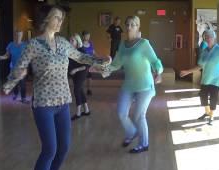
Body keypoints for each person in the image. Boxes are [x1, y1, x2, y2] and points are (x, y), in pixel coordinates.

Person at [2, 5, 111, 170]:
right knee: (49, 149)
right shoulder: (33, 45)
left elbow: (81, 56)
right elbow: (17, 69)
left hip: (63, 102)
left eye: (62, 18)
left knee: (64, 147)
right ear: (46, 20)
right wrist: (13, 80)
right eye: (57, 17)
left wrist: (101, 60)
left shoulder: (62, 43)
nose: (61, 21)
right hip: (43, 104)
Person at [100, 16, 163, 153]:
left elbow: (155, 61)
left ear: (138, 27)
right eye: (127, 24)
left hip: (145, 86)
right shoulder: (122, 45)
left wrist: (159, 72)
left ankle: (144, 143)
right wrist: (103, 68)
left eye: (133, 25)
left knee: (139, 116)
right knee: (121, 113)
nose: (129, 27)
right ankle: (132, 132)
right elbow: (116, 64)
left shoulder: (143, 43)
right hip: (129, 85)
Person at [180, 29, 219, 125]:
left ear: (214, 38)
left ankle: (211, 115)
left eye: (210, 37)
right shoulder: (204, 51)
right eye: (206, 37)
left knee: (213, 98)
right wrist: (187, 72)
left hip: (217, 79)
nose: (208, 39)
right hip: (206, 78)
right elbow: (199, 66)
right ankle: (207, 112)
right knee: (202, 96)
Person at [0, 30, 28, 103]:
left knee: (22, 84)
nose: (18, 36)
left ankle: (23, 98)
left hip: (22, 68)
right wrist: (2, 57)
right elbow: (7, 55)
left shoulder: (25, 45)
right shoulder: (10, 45)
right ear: (15, 35)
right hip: (13, 67)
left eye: (20, 35)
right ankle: (15, 94)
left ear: (22, 35)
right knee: (14, 83)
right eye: (17, 35)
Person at [68, 34, 91, 120]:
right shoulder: (71, 51)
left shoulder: (82, 50)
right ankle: (86, 110)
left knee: (76, 90)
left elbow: (86, 65)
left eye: (72, 40)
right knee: (80, 89)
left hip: (81, 72)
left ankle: (78, 112)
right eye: (70, 40)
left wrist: (75, 70)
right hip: (74, 73)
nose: (70, 42)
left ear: (77, 41)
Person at [81, 31, 95, 95]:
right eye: (87, 36)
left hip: (90, 63)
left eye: (89, 36)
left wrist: (97, 59)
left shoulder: (91, 43)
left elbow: (94, 52)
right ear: (83, 36)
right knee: (82, 77)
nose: (88, 37)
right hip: (82, 63)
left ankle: (89, 89)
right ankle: (81, 89)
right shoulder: (80, 44)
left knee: (89, 77)